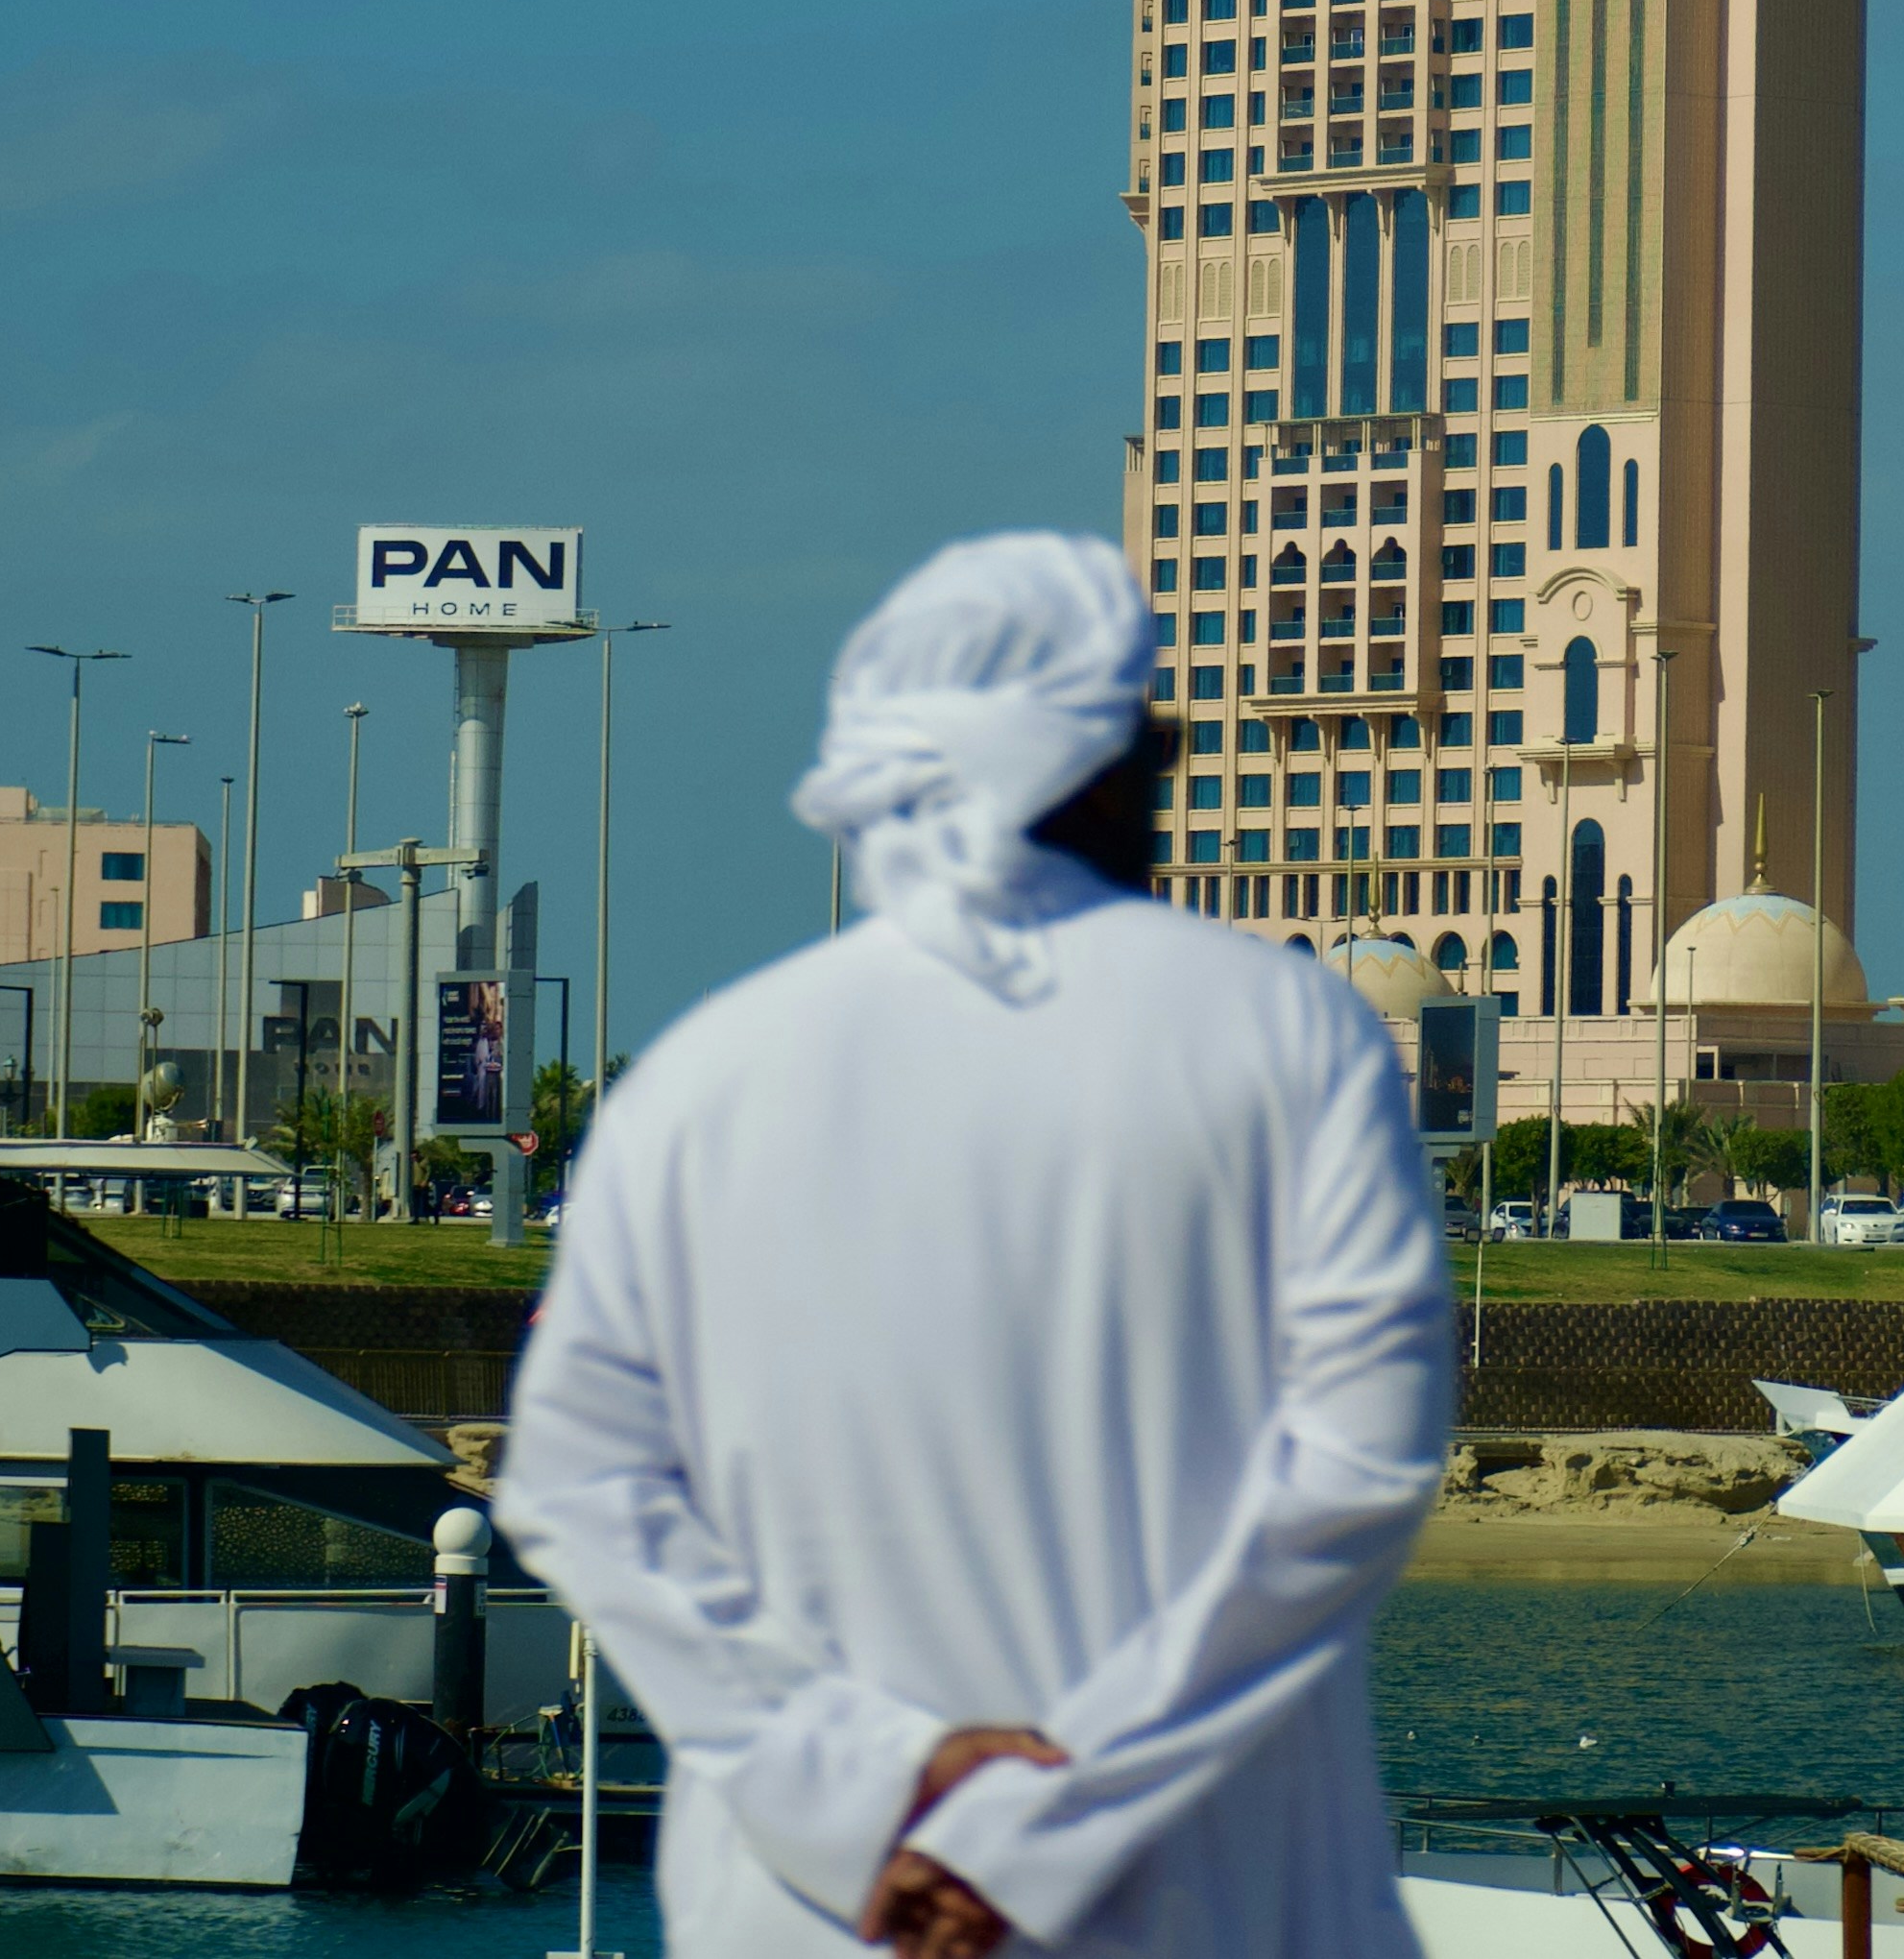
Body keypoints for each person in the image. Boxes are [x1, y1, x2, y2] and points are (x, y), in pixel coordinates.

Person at [496, 530, 1453, 1959]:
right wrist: (1027, 1825)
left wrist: (873, 1782)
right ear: (1124, 762)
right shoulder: (1285, 1031)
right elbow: (1356, 1471)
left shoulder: (697, 1081)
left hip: (821, 1907)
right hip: (1203, 1898)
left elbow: (576, 1483)